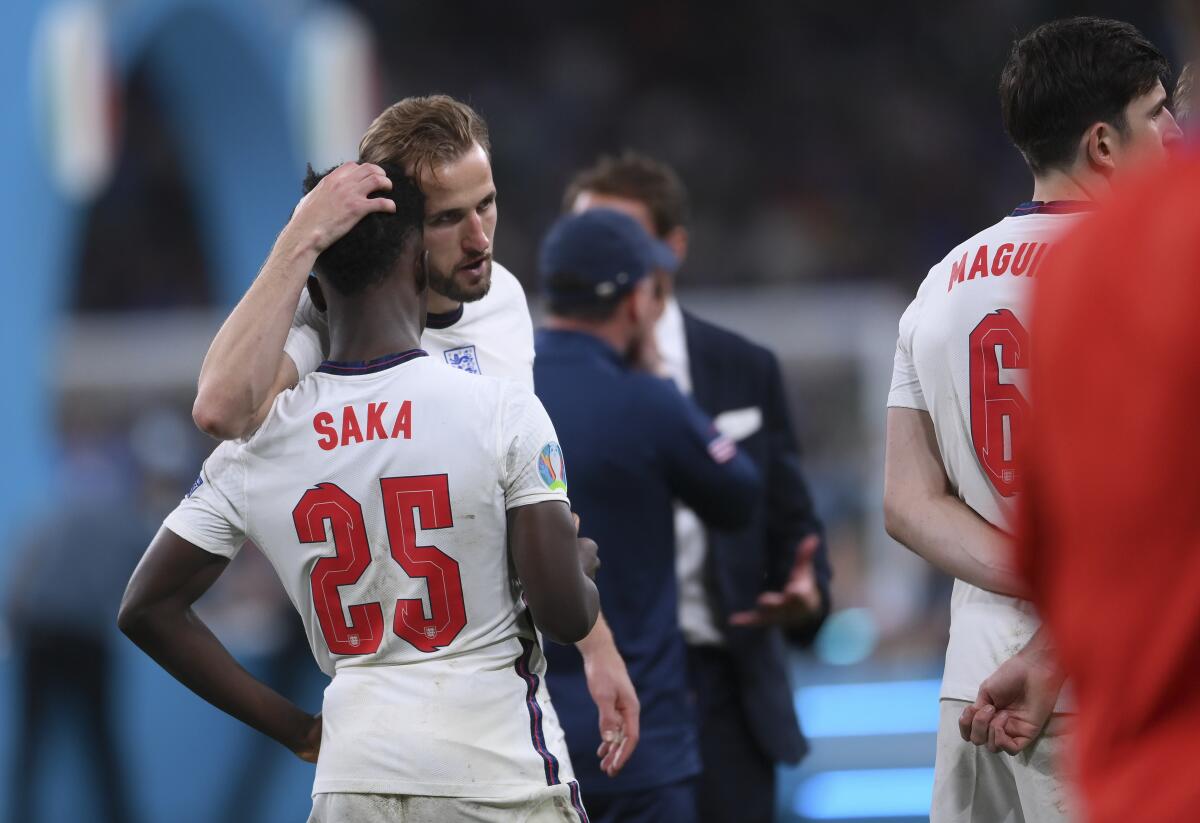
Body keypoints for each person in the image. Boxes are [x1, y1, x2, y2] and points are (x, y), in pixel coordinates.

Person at [119, 165, 599, 822]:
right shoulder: (501, 408)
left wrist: (298, 729)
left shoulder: (260, 438)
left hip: (353, 777)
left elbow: (146, 608)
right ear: (419, 266)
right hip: (498, 772)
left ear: (313, 282)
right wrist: (580, 568)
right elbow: (566, 615)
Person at [188, 94, 640, 778]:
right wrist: (302, 235)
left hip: (501, 697)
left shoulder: (506, 299)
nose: (480, 237)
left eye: (486, 204)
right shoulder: (330, 324)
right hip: (387, 700)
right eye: (449, 218)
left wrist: (598, 647)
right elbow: (220, 406)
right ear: (393, 227)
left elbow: (525, 509)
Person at [882, 16, 1181, 823]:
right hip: (1115, 678)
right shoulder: (1154, 268)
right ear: (1104, 144)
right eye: (1157, 112)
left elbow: (907, 503)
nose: (1176, 131)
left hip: (971, 688)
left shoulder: (940, 283)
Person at [563, 151, 831, 823]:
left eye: (619, 240)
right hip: (585, 687)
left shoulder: (743, 369)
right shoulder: (533, 379)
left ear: (672, 249)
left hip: (723, 695)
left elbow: (794, 530)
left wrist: (808, 597)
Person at [534, 207, 762, 822]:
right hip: (639, 742)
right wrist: (665, 386)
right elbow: (740, 495)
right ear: (635, 301)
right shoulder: (648, 400)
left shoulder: (498, 390)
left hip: (524, 738)